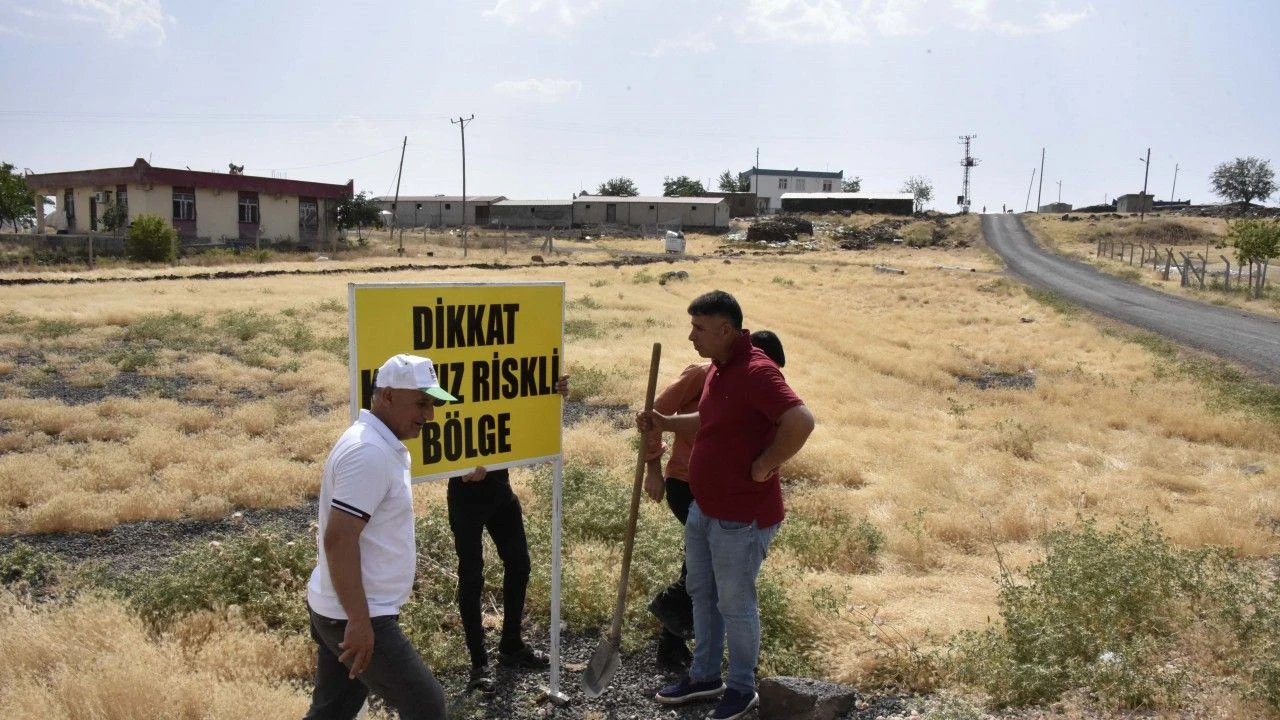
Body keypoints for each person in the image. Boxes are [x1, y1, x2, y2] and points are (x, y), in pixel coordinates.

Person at [638, 290, 815, 720]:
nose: (691, 336)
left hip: (742, 516)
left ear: (725, 330)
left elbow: (801, 420)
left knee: (735, 603)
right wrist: (664, 422)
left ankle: (741, 687)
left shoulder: (757, 371)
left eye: (699, 328)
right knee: (702, 593)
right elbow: (708, 420)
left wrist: (764, 465)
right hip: (705, 509)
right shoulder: (718, 369)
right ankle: (704, 676)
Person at [303, 353, 454, 720]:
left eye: (432, 404)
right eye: (421, 403)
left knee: (333, 712)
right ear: (387, 396)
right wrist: (359, 621)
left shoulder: (377, 442)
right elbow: (339, 538)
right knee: (427, 707)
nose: (429, 415)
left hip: (339, 607)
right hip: (357, 614)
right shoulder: (369, 452)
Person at [643, 330, 788, 671]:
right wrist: (652, 468)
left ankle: (675, 642)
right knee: (701, 566)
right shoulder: (701, 375)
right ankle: (672, 612)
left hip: (724, 488)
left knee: (700, 564)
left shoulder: (753, 391)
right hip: (685, 484)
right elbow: (654, 416)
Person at [451, 374, 569, 693]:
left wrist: (551, 391)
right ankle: (479, 666)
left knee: (519, 564)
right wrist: (456, 463)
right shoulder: (457, 375)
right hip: (464, 495)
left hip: (501, 491)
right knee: (472, 577)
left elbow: (524, 401)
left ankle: (511, 646)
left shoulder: (499, 373)